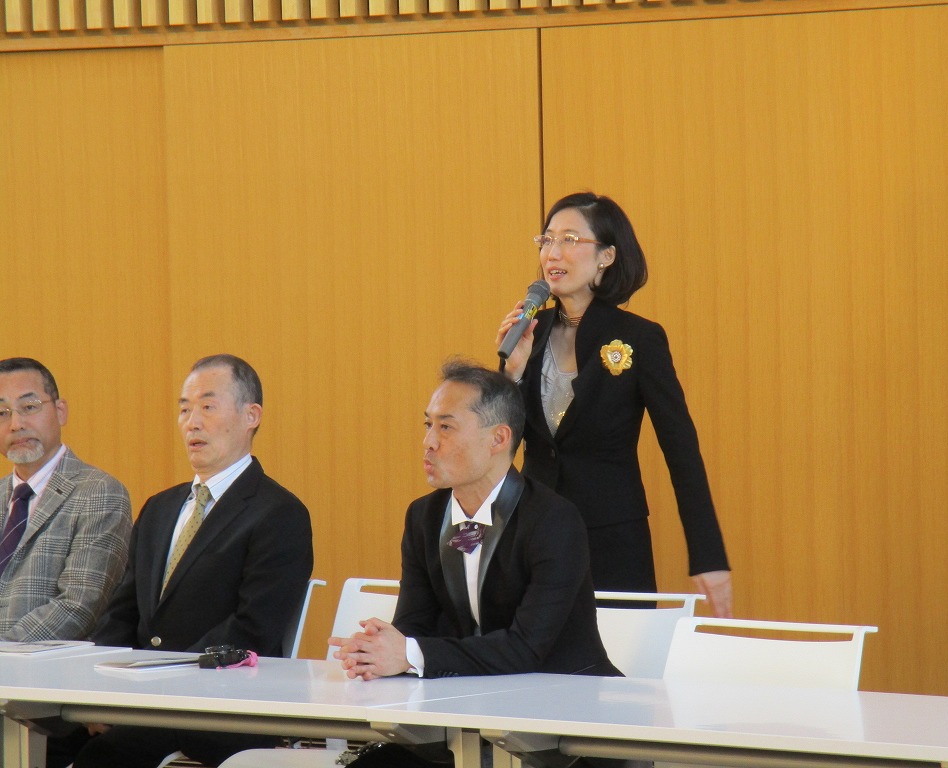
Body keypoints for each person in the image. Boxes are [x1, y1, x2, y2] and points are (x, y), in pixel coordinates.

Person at [51, 354, 314, 768]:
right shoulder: (159, 507)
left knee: (104, 755)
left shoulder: (279, 513)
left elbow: (253, 629)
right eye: (184, 409)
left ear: (251, 416)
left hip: (219, 704)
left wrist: (155, 684)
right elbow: (123, 612)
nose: (192, 422)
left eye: (208, 406)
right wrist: (98, 690)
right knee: (42, 735)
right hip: (139, 698)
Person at [496, 192, 733, 617]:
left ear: (606, 256)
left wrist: (708, 555)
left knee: (617, 657)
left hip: (611, 541)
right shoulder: (529, 332)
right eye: (547, 240)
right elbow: (495, 444)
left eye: (570, 239)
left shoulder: (639, 338)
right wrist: (511, 374)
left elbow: (681, 449)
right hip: (533, 533)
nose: (553, 252)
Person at [330, 359, 618, 681]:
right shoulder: (424, 517)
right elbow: (415, 624)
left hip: (566, 691)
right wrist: (377, 650)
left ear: (498, 439)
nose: (429, 442)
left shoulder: (554, 521)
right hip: (471, 689)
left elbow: (525, 648)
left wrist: (411, 653)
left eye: (446, 427)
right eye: (428, 424)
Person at [0, 357, 132, 642]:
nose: (16, 424)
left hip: (47, 667)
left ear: (60, 412)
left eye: (29, 407)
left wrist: (5, 653)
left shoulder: (100, 492)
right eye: (2, 413)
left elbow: (79, 606)